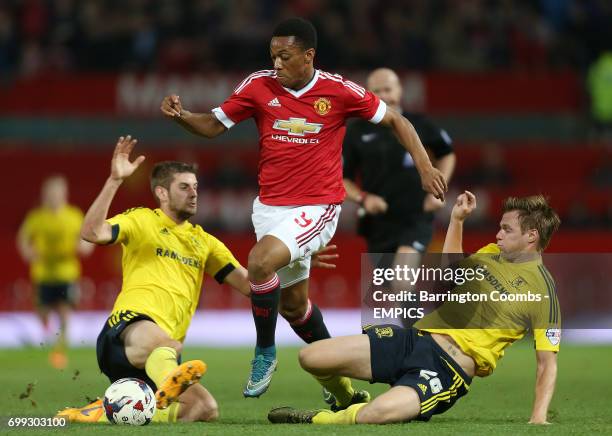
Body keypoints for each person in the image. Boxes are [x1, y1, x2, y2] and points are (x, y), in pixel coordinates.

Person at [160, 17, 447, 399]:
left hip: (318, 205)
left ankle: (264, 352)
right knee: (295, 308)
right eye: (273, 55)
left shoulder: (339, 91)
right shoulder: (258, 86)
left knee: (260, 263)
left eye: (285, 55)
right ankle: (341, 388)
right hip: (270, 209)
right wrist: (182, 117)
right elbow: (214, 125)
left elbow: (397, 120)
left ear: (308, 55)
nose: (276, 63)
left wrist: (426, 168)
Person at [56, 136, 338, 424]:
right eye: (184, 187)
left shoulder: (205, 242)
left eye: (195, 187)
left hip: (161, 364)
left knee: (204, 408)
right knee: (168, 345)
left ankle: (105, 411)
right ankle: (159, 378)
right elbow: (92, 233)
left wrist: (290, 259)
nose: (193, 193)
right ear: (162, 193)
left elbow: (251, 287)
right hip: (129, 330)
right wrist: (115, 180)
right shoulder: (142, 220)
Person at [268, 192, 561, 425]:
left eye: (506, 229)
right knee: (311, 357)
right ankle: (347, 399)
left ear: (531, 236)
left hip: (447, 368)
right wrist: (457, 220)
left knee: (377, 414)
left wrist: (538, 418)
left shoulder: (544, 292)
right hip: (415, 339)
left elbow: (547, 362)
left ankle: (319, 420)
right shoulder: (491, 253)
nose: (498, 234)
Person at [343, 67, 456, 256]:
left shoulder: (419, 124)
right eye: (377, 91)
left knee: (402, 278)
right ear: (368, 95)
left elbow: (447, 154)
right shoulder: (356, 132)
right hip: (378, 222)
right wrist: (363, 199)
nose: (384, 96)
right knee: (386, 286)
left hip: (416, 215)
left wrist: (438, 189)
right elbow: (342, 179)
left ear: (399, 90)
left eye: (388, 89)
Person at [17, 175, 93, 369]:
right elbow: (23, 238)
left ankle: (60, 349)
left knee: (64, 309)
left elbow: (86, 237)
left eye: (57, 193)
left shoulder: (73, 215)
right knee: (43, 310)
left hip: (67, 272)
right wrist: (28, 252)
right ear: (45, 195)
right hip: (43, 272)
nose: (54, 196)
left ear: (64, 194)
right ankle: (50, 336)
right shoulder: (37, 217)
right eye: (50, 193)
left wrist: (84, 246)